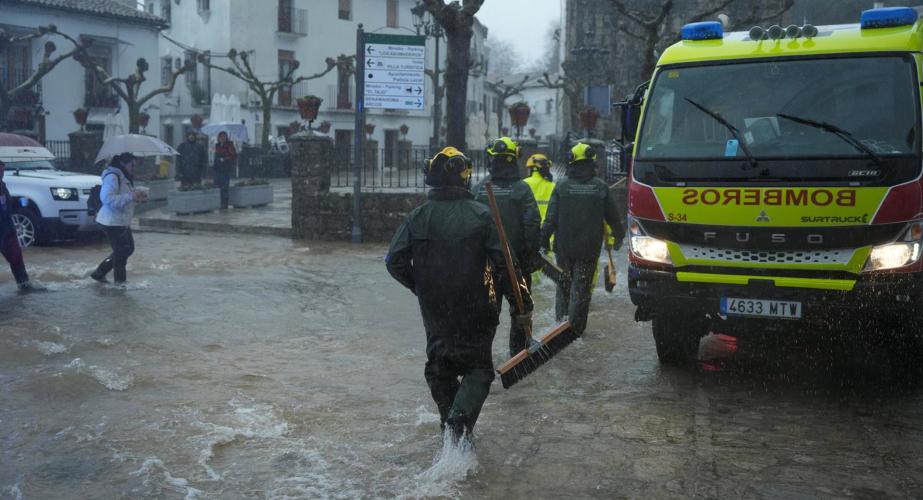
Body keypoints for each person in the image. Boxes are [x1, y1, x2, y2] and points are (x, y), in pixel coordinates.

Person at [387, 147, 533, 443]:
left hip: (435, 310)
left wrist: (421, 288)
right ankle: (458, 424)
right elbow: (506, 264)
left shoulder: (418, 217)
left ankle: (452, 429)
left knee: (440, 367)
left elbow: (394, 261)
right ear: (464, 179)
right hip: (478, 306)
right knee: (478, 368)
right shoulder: (481, 215)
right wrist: (523, 304)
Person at [541, 142, 624, 336]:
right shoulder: (600, 187)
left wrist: (543, 240)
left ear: (572, 162)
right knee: (582, 289)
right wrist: (618, 236)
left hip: (563, 248)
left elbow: (550, 218)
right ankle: (576, 331)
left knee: (564, 285)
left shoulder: (561, 186)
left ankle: (559, 327)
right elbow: (614, 218)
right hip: (589, 249)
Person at [472, 137, 541, 357]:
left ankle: (481, 360)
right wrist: (530, 257)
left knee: (486, 313)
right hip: (516, 265)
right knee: (521, 309)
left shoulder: (479, 189)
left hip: (485, 267)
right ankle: (518, 355)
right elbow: (532, 224)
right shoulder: (522, 190)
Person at [90, 153, 147, 284]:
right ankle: (120, 286)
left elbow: (125, 199)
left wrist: (137, 198)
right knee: (121, 252)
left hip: (121, 220)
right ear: (122, 163)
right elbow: (106, 198)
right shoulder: (112, 177)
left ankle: (99, 273)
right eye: (132, 164)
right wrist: (131, 196)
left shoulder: (123, 177)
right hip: (112, 221)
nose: (134, 167)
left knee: (128, 249)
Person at [0, 160, 37, 291]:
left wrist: (19, 202)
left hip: (7, 228)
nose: (1, 174)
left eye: (3, 171)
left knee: (16, 257)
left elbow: (8, 205)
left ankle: (24, 284)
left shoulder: (2, 186)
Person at [213, 131, 237, 209]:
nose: (222, 138)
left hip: (225, 168)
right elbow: (216, 156)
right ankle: (219, 202)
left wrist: (225, 159)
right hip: (217, 168)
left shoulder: (229, 145)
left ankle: (224, 203)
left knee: (224, 186)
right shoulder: (217, 145)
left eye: (224, 137)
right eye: (221, 137)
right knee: (218, 186)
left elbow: (233, 156)